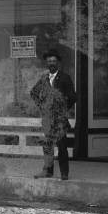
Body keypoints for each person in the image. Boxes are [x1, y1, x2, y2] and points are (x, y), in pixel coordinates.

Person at [29, 48, 78, 180]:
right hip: (47, 119)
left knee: (62, 146)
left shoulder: (65, 78)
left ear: (58, 63)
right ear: (46, 63)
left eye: (54, 61)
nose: (51, 63)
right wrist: (42, 106)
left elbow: (73, 97)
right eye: (49, 61)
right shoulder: (44, 78)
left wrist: (63, 109)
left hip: (59, 119)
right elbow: (33, 93)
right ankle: (48, 171)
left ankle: (64, 173)